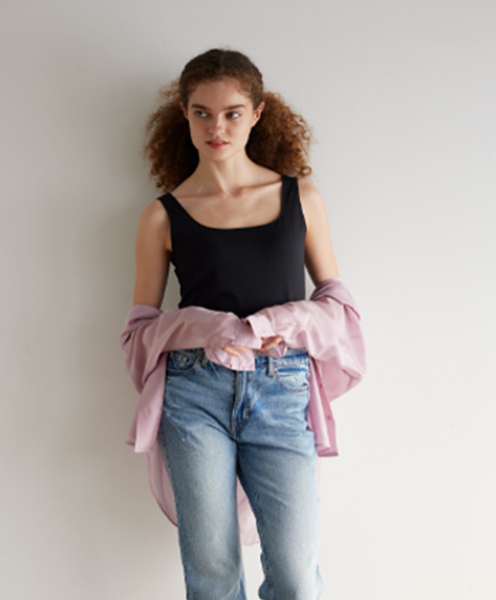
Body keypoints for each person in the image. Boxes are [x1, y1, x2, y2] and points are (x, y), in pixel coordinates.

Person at [127, 48, 361, 600]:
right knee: (212, 576)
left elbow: (338, 308)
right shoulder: (162, 215)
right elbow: (139, 333)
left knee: (297, 579)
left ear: (257, 113)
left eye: (232, 113)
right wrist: (207, 327)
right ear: (184, 114)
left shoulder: (300, 198)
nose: (217, 127)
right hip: (194, 393)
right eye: (202, 113)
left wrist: (278, 322)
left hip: (282, 387)